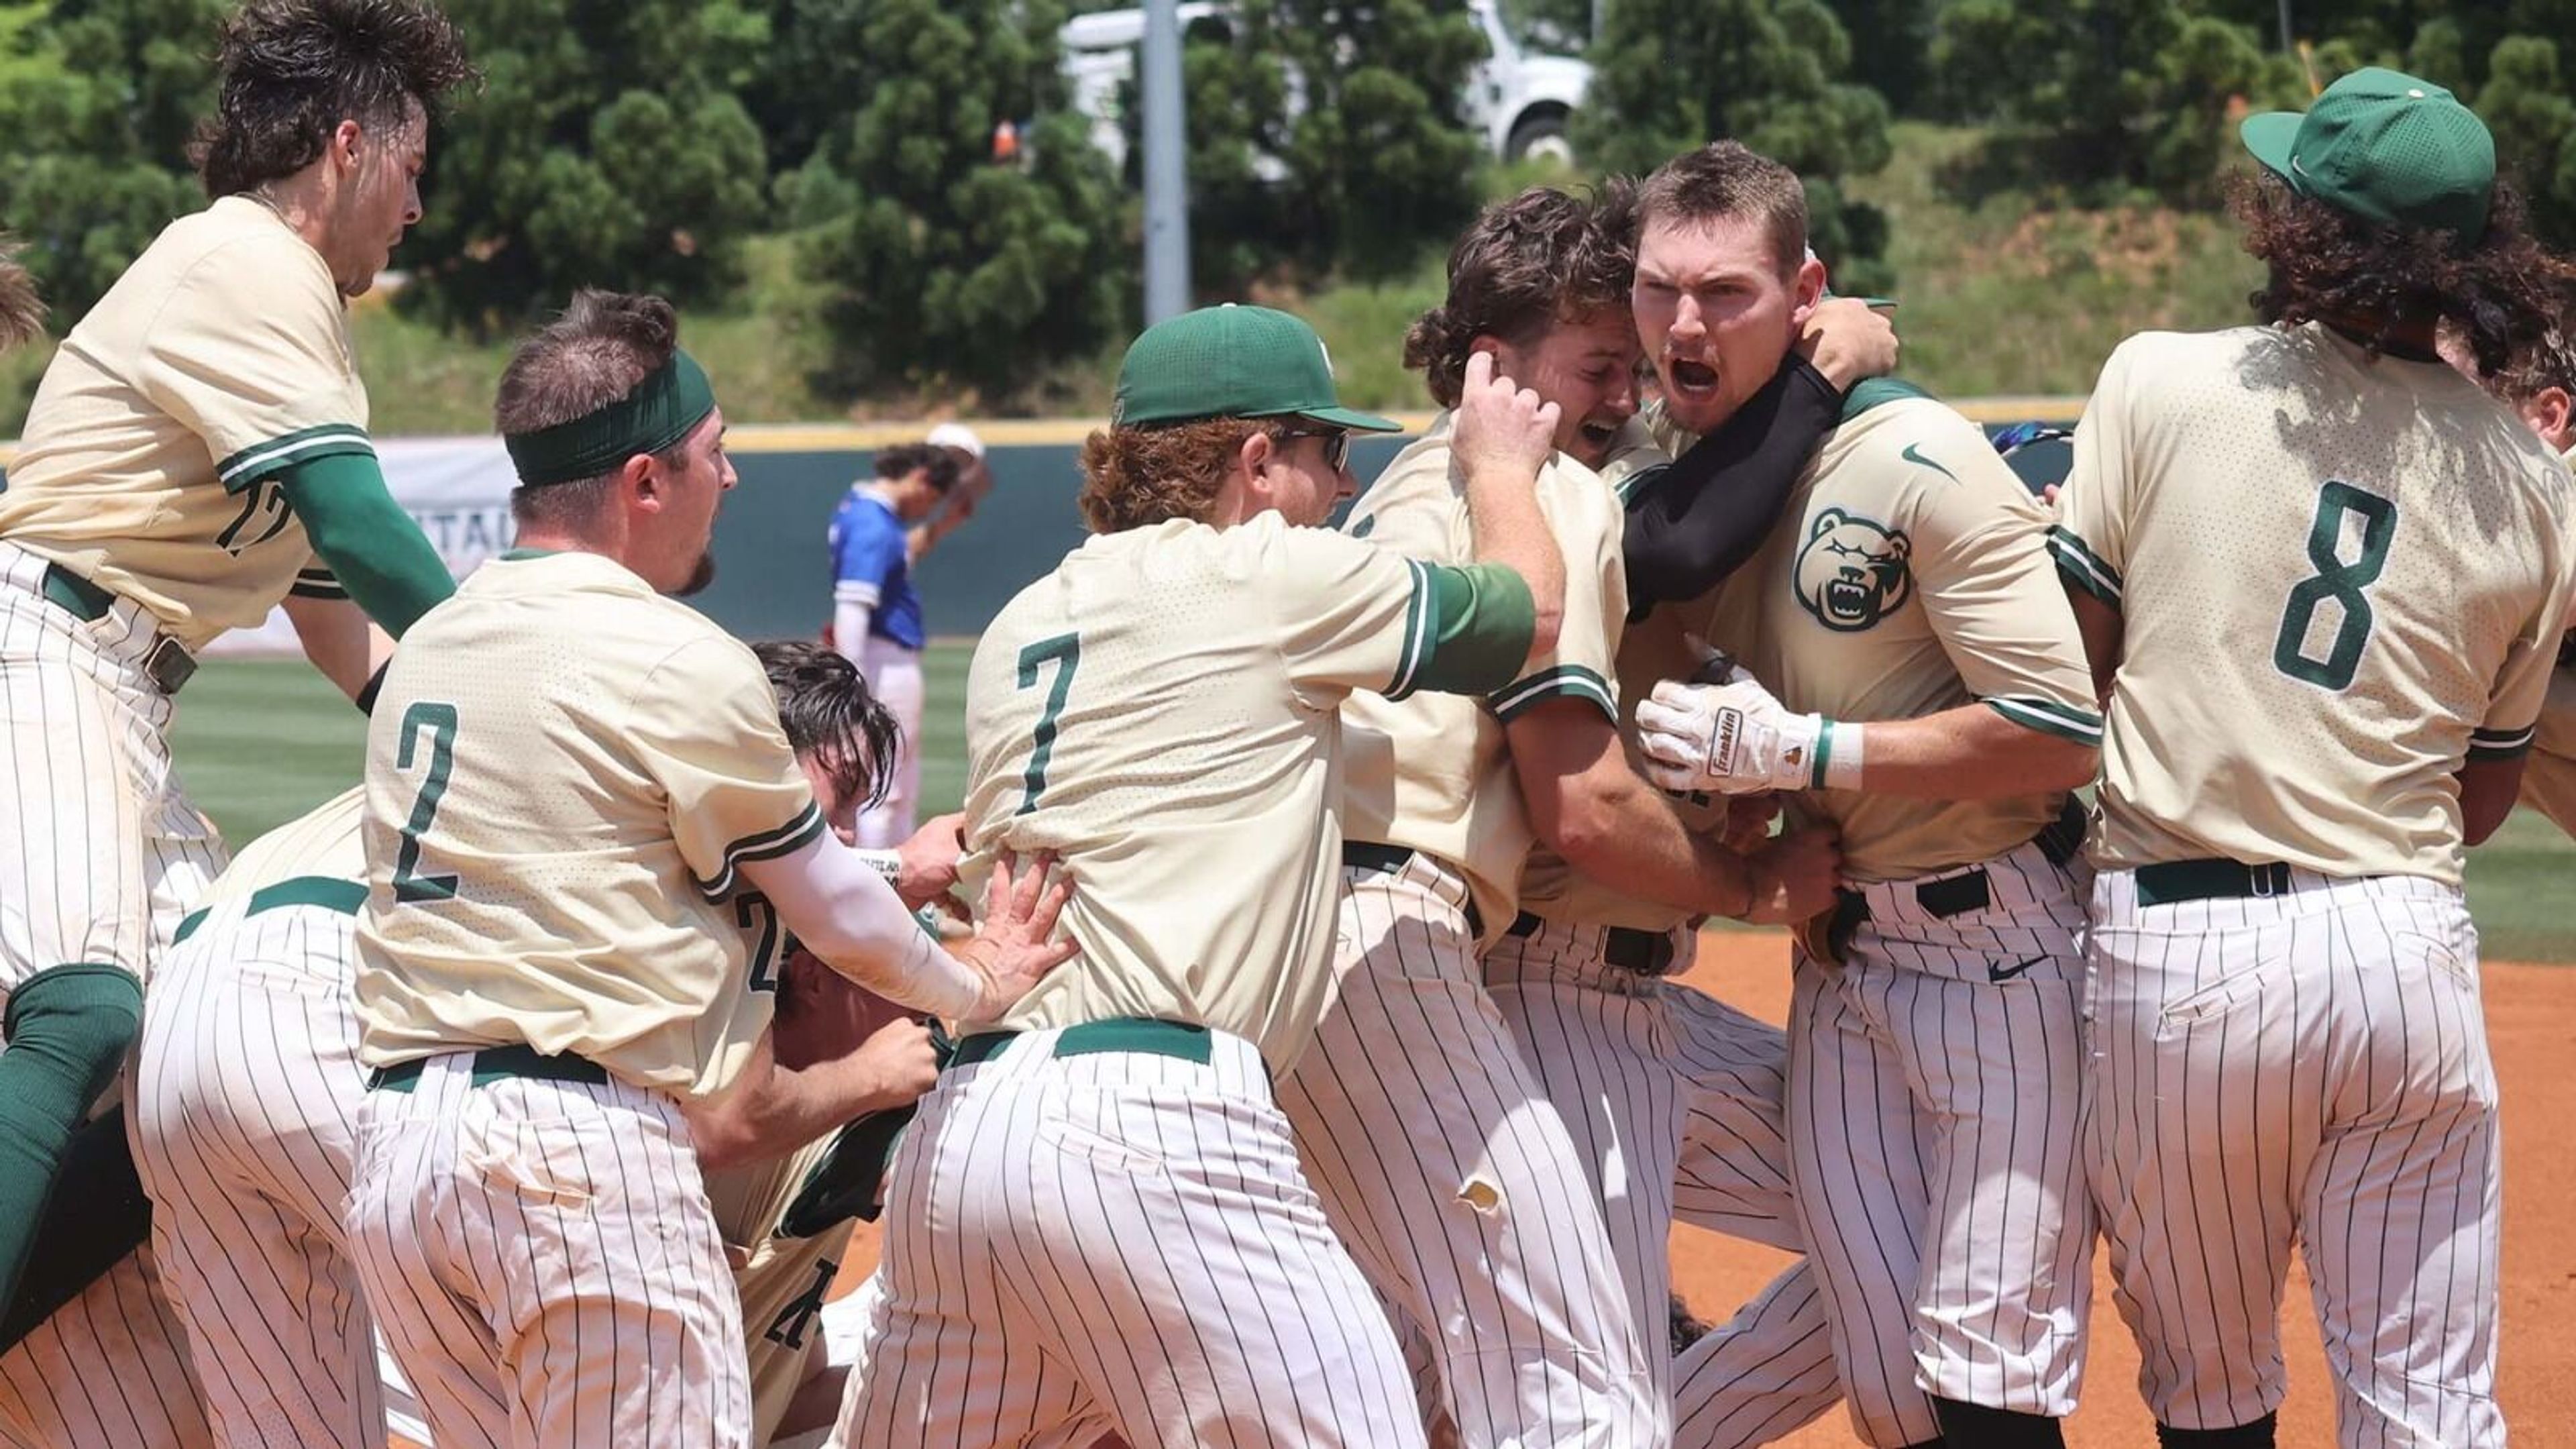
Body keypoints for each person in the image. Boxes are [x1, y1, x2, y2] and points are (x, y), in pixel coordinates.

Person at [341, 289, 1073, 1449]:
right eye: (712, 456)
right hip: (578, 1159)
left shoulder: (436, 644)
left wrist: (893, 878)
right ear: (644, 482)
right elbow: (826, 904)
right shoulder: (674, 653)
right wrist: (969, 984)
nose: (728, 482)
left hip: (401, 1158)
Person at [832, 302, 1566, 1448]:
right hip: (1155, 1119)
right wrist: (1505, 468)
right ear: (1255, 461)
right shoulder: (1265, 573)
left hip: (964, 1135)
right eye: (1327, 453)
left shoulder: (1032, 610)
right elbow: (1531, 616)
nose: (1339, 481)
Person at [1279, 182, 1858, 1449]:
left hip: (1509, 975)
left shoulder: (1426, 486)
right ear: (1496, 365)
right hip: (1458, 964)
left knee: (1887, 1216)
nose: (1628, 393)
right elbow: (1581, 803)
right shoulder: (1533, 494)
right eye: (1603, 363)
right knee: (1562, 1401)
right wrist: (1754, 888)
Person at [2049, 69, 2576, 1446]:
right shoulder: (2532, 479)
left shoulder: (2160, 378)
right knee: (2427, 1411)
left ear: (2302, 229)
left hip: (2186, 950)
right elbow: (2485, 791)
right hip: (2402, 944)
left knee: (2213, 1399)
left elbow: (2067, 675)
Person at [125, 637, 956, 1449]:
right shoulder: (677, 785)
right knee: (599, 1317)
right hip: (336, 1004)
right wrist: (897, 900)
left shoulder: (572, 751)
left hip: (187, 1021)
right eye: (838, 800)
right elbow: (725, 1110)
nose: (841, 836)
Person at [0, 0, 475, 1405]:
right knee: (86, 1010)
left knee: (202, 1059)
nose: (420, 204)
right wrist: (527, 683)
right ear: (348, 143)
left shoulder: (295, 317)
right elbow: (363, 526)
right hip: (41, 644)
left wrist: (456, 727)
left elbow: (348, 630)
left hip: (113, 689)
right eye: (412, 165)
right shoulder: (244, 263)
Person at [1625, 140, 2106, 1449]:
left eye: (1725, 292)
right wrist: (1740, 807)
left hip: (2000, 951)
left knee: (1988, 1379)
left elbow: (2060, 731)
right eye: (1658, 289)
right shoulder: (1692, 498)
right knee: (1894, 1391)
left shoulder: (1914, 455)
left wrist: (1803, 758)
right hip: (1842, 970)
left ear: (1808, 293)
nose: (1683, 324)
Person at [828, 441, 958, 847]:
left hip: (881, 656)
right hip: (882, 661)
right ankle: (883, 889)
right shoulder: (873, 522)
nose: (926, 510)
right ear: (919, 479)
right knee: (882, 789)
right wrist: (852, 685)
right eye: (931, 499)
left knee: (894, 786)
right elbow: (852, 606)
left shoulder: (862, 510)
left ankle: (900, 893)